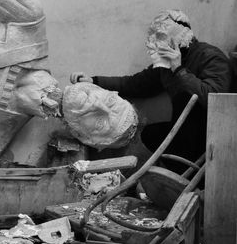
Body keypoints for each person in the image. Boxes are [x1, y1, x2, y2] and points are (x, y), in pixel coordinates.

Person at [70, 9, 233, 172]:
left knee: (185, 114)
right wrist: (94, 80)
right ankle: (184, 177)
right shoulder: (166, 63)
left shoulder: (210, 56)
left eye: (164, 37)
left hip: (212, 132)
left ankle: (195, 179)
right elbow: (135, 83)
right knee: (152, 134)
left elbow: (214, 100)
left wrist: (179, 69)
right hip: (183, 129)